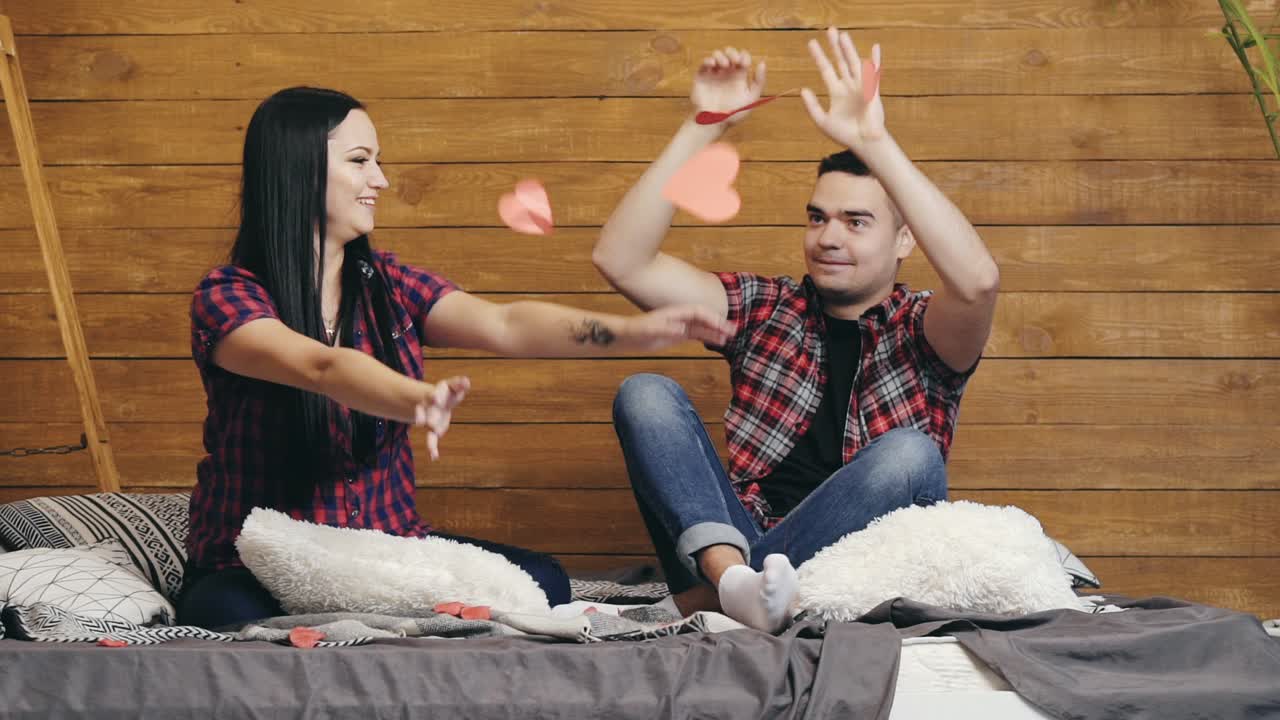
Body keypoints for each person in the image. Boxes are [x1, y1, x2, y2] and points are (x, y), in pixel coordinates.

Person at [180, 86, 731, 629]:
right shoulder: (228, 295)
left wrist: (632, 332)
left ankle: (374, 619)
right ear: (296, 170)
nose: (381, 179)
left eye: (379, 161)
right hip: (253, 566)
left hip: (383, 556)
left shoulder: (389, 285)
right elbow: (320, 367)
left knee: (545, 579)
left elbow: (505, 323)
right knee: (228, 614)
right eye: (359, 161)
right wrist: (414, 397)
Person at [592, 29, 1000, 632]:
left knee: (911, 455)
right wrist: (704, 125)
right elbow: (622, 260)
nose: (828, 237)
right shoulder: (767, 308)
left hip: (860, 570)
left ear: (905, 240)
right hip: (728, 543)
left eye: (856, 221)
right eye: (818, 218)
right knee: (645, 393)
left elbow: (978, 282)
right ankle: (736, 585)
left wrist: (875, 142)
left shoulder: (925, 331)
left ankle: (716, 604)